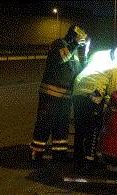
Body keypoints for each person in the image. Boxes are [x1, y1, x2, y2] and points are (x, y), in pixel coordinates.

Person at [30, 25, 87, 163]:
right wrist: (75, 44)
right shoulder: (58, 44)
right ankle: (36, 154)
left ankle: (59, 155)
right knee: (45, 124)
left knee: (61, 126)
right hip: (51, 94)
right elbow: (61, 58)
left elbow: (77, 70)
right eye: (80, 39)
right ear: (73, 36)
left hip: (65, 96)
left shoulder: (73, 51)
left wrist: (85, 60)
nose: (81, 42)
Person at [72, 47, 117, 167]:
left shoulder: (99, 57)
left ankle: (77, 156)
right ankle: (89, 158)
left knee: (80, 127)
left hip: (77, 91)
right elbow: (113, 93)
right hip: (93, 95)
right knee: (94, 127)